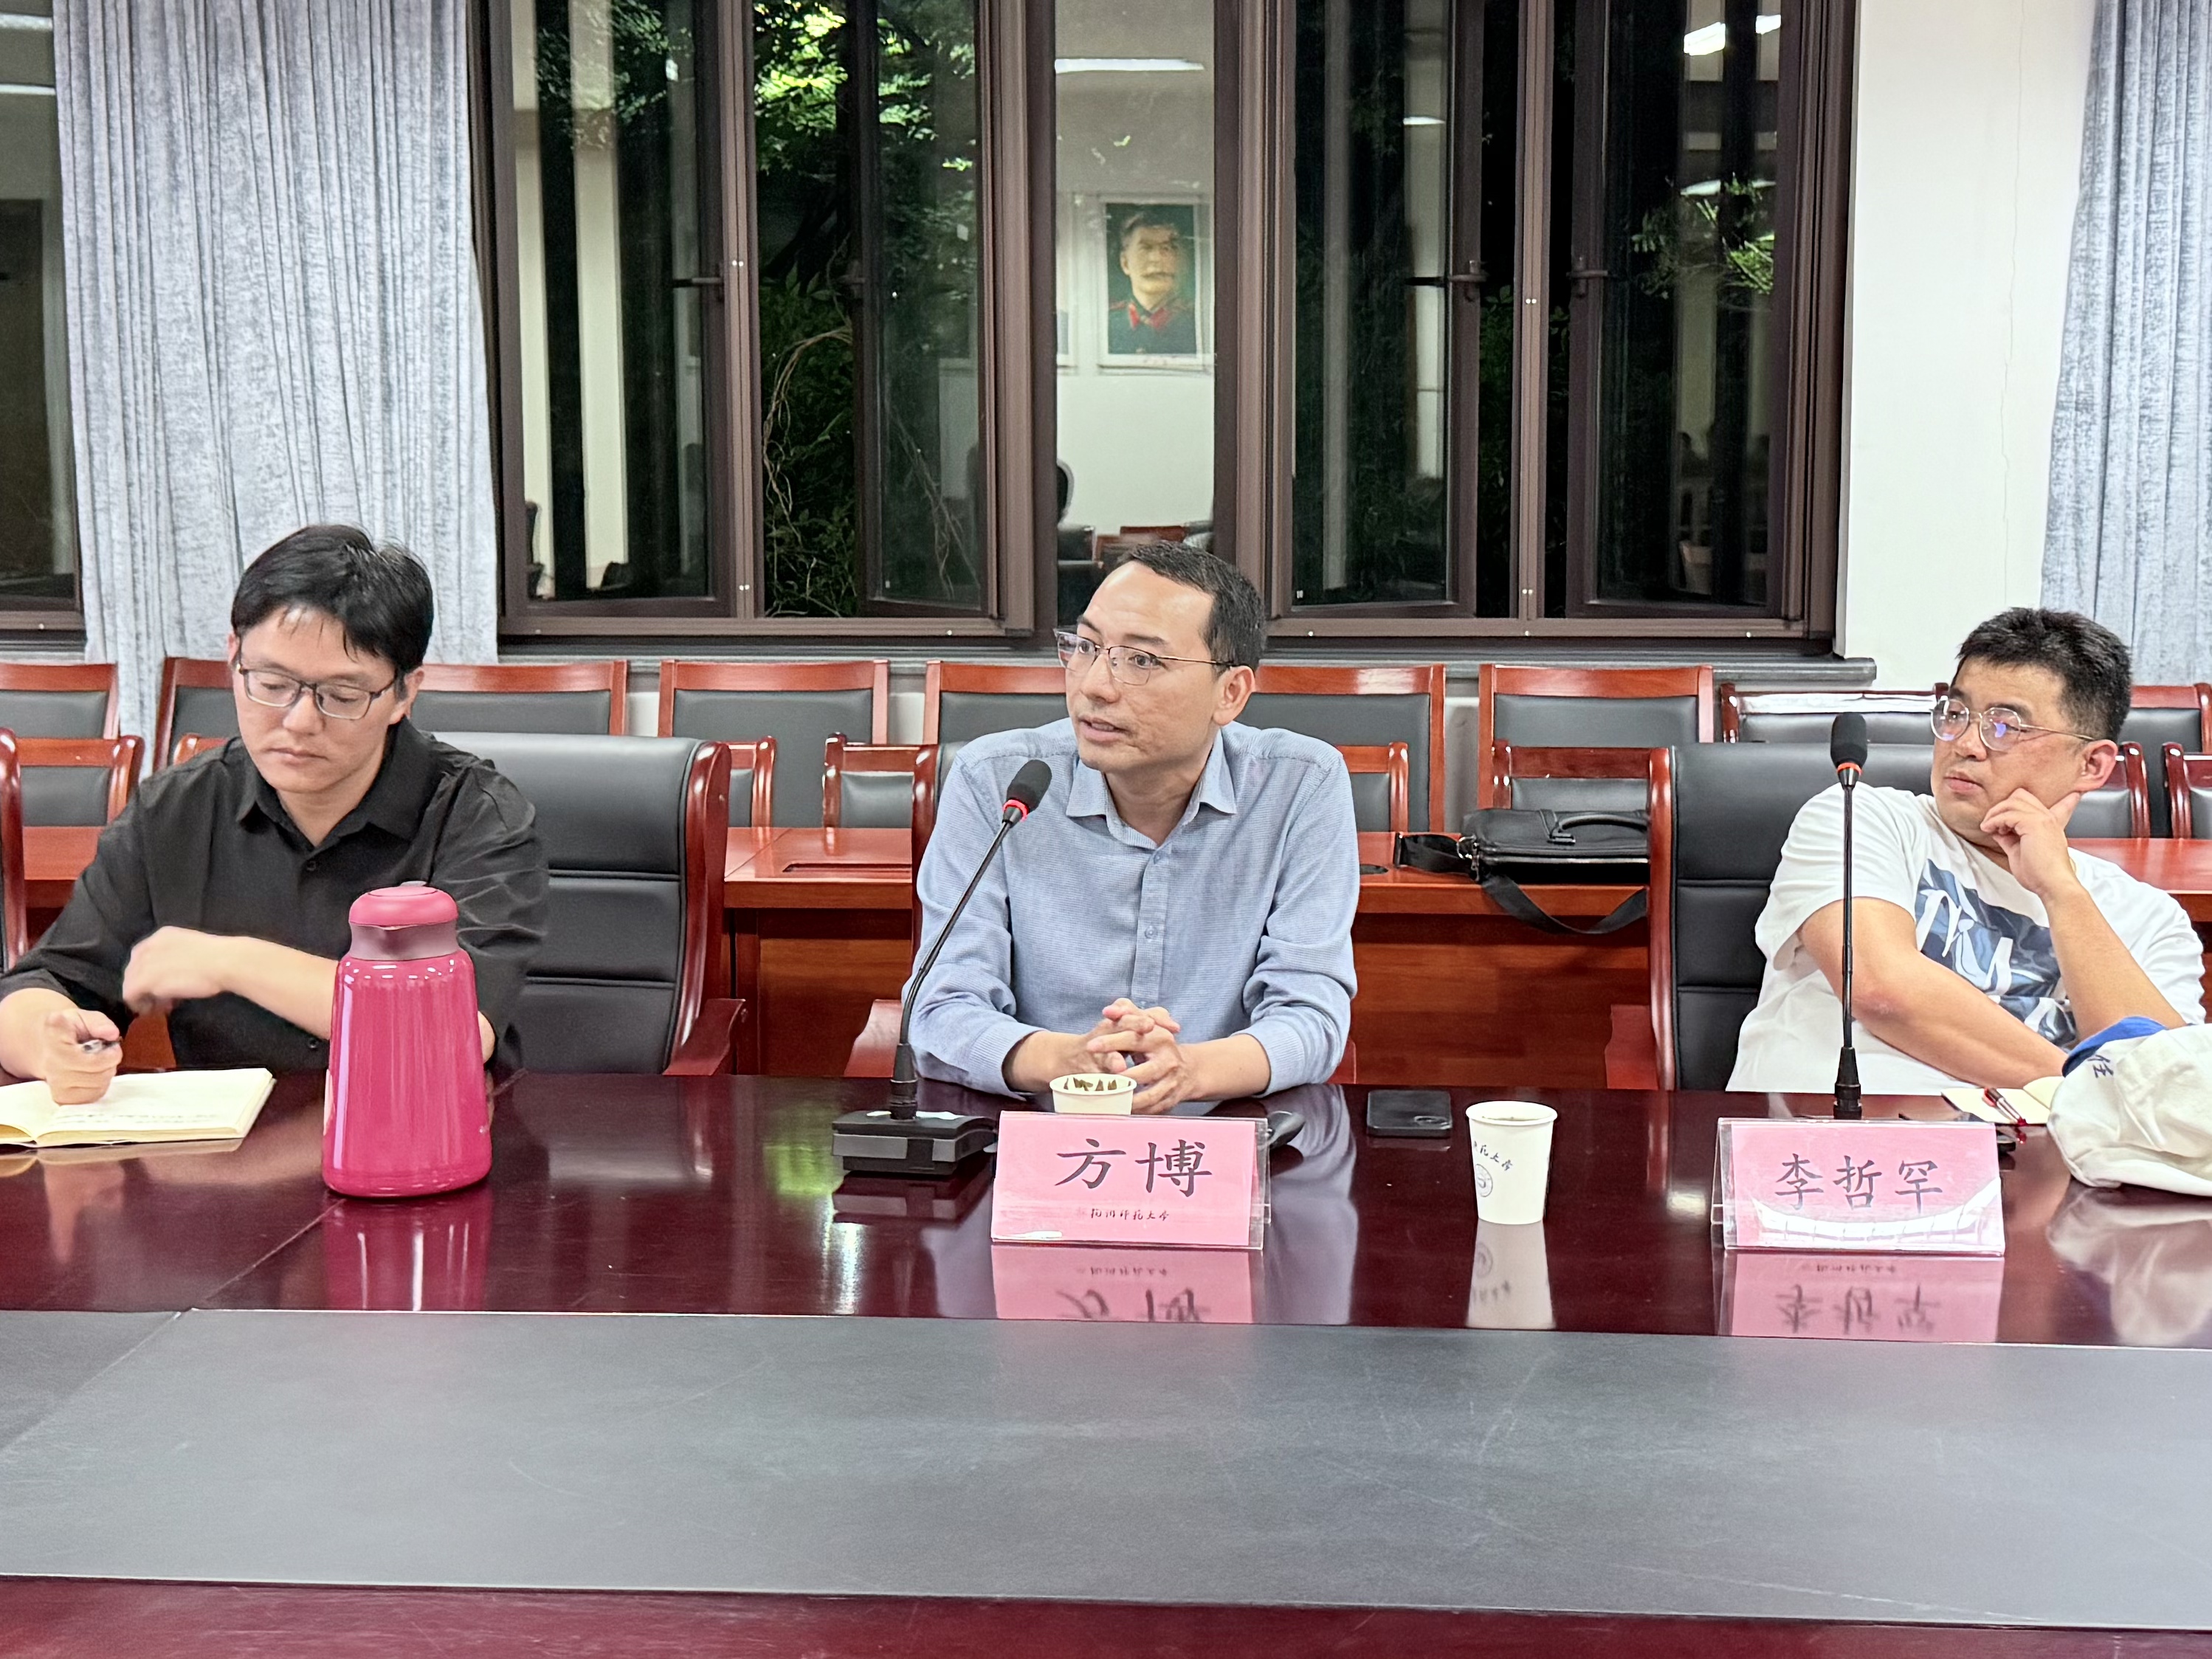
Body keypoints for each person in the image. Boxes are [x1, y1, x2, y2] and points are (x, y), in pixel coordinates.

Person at [0, 525, 550, 1103]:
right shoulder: (175, 812)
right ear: (233, 658)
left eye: (342, 696)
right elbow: (44, 984)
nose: (299, 721)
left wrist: (231, 961)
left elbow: (453, 1031)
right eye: (272, 684)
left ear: (404, 693)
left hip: (427, 1133)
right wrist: (47, 1039)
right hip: (231, 1150)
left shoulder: (477, 815)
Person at [908, 543, 1357, 1113]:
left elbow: (1311, 1015)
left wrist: (1188, 1071)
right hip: (1037, 1133)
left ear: (1230, 694)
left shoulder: (1300, 785)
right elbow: (941, 1007)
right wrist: (1069, 1061)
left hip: (1227, 1136)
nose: (1095, 685)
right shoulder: (996, 780)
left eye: (1141, 661)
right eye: (1086, 647)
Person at [1729, 608, 2202, 1093]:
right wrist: (2085, 1093)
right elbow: (1882, 991)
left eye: (2006, 726)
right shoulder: (1860, 816)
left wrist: (2061, 892)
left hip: (2045, 1140)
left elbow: (2164, 1085)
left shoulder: (2150, 919)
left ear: (2091, 765)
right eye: (1956, 715)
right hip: (1846, 1129)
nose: (1966, 744)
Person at [1106, 210, 1198, 355]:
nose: (1157, 259)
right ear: (1125, 263)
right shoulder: (1105, 323)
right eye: (1146, 248)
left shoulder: (1199, 323)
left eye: (1167, 248)